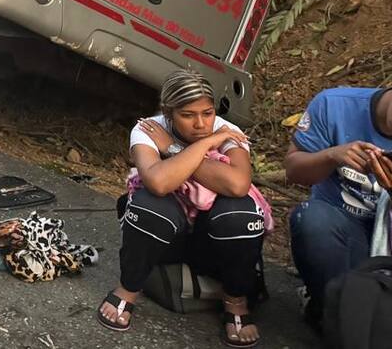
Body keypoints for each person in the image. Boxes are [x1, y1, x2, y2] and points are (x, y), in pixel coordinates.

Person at [96, 71, 267, 347]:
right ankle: (128, 289)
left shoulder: (226, 131)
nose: (201, 124)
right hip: (169, 238)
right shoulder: (149, 129)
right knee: (148, 203)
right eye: (188, 115)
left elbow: (237, 184)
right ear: (168, 112)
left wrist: (175, 149)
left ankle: (236, 301)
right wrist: (201, 148)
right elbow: (159, 182)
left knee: (241, 214)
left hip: (210, 240)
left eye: (207, 113)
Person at [284, 74, 392, 326]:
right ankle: (331, 311)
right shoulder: (333, 105)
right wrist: (332, 155)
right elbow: (293, 171)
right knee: (311, 219)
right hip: (341, 226)